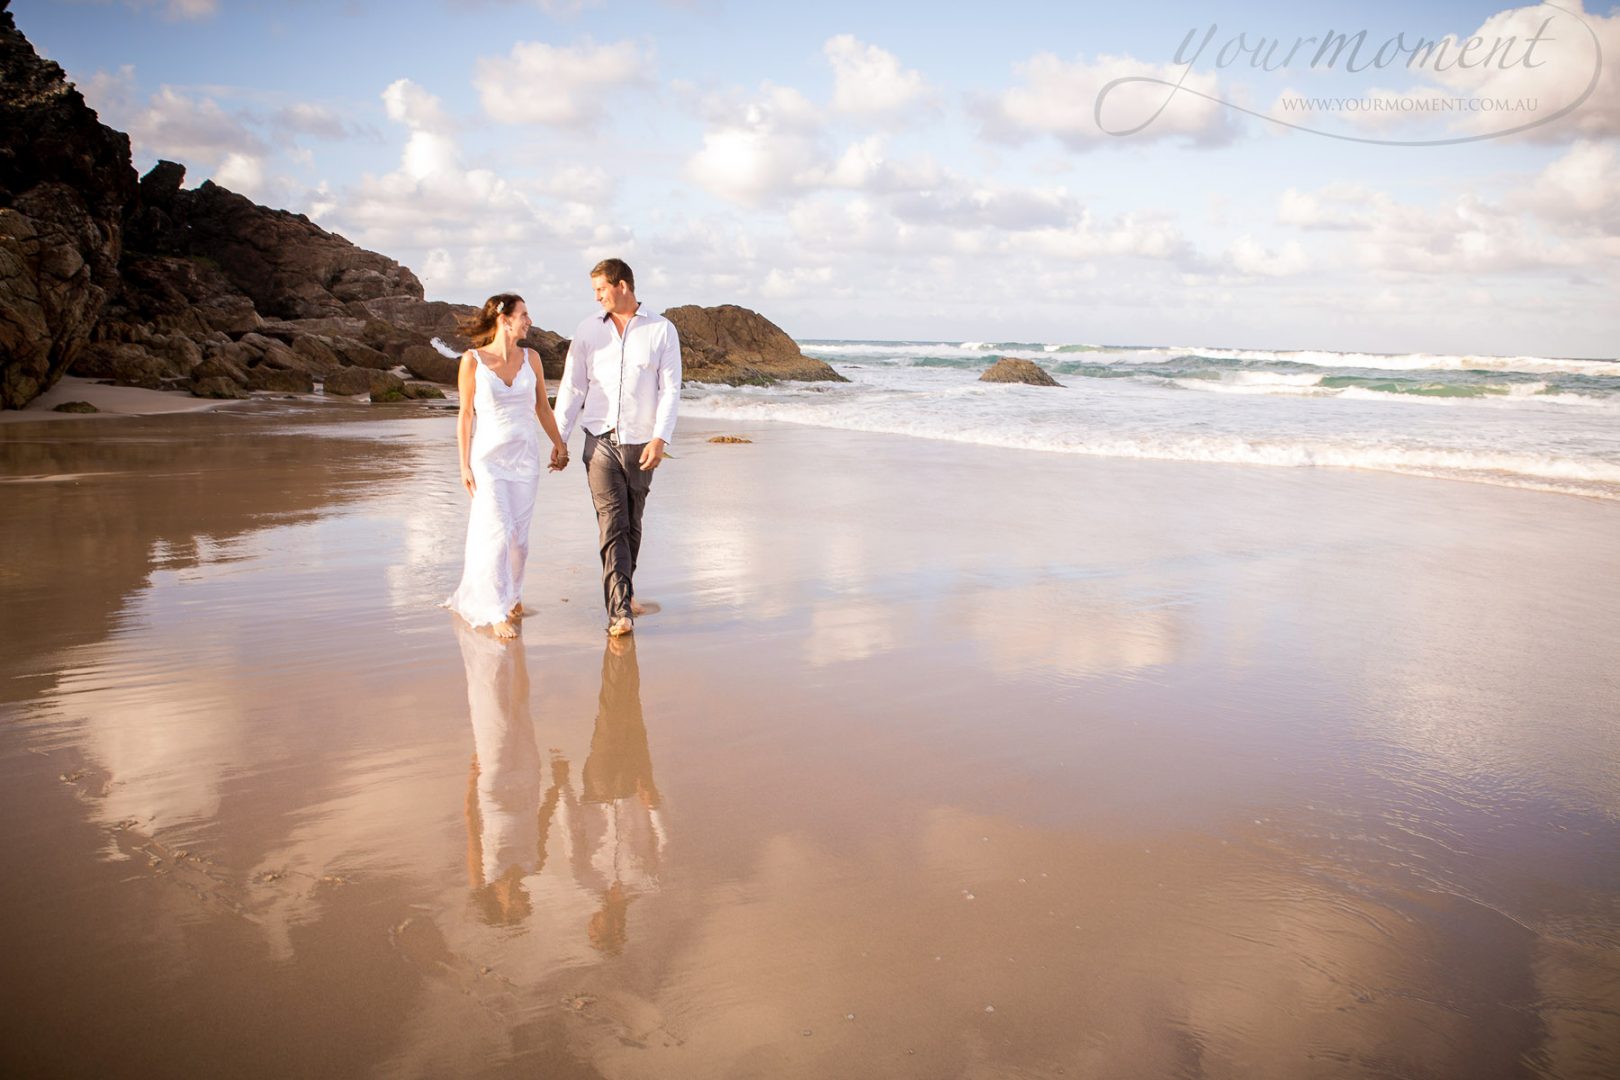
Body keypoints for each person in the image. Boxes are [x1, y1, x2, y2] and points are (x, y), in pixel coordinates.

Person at [553, 259, 682, 637]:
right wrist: (560, 438)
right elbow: (573, 387)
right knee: (612, 523)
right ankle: (619, 611)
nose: (596, 297)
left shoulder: (661, 330)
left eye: (601, 289)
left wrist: (661, 438)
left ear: (622, 285)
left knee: (633, 523)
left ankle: (625, 591)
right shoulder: (587, 330)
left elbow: (670, 389)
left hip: (642, 441)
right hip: (600, 440)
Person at [445, 293, 569, 639]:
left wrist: (559, 444)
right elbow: (466, 415)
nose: (529, 320)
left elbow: (542, 407)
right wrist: (464, 465)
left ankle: (514, 597)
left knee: (519, 540)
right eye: (524, 314)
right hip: (488, 461)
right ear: (505, 319)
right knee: (498, 533)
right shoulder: (472, 362)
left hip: (525, 461)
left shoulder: (532, 358)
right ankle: (495, 608)